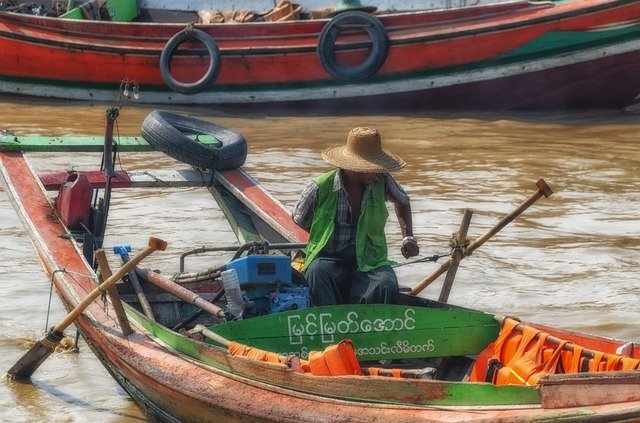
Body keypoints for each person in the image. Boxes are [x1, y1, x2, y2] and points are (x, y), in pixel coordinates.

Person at [292, 126, 419, 306]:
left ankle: (372, 329)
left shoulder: (381, 180)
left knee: (386, 284)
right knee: (315, 274)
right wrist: (323, 235)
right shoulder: (320, 187)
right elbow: (299, 218)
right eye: (370, 169)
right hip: (330, 256)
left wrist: (408, 236)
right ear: (353, 169)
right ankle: (329, 327)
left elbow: (403, 201)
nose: (375, 175)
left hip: (370, 260)